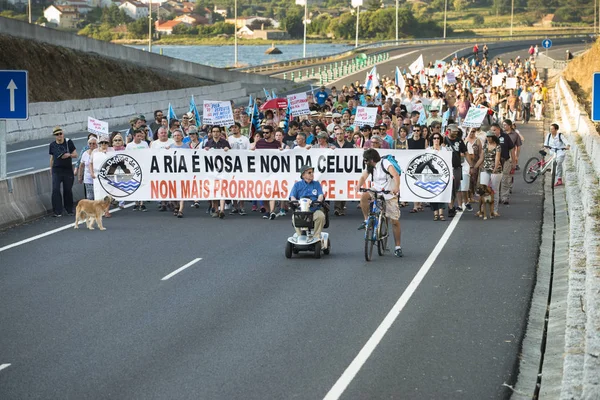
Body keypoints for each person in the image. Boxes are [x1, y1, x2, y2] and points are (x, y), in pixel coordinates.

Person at [357, 148, 403, 258]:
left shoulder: (385, 163)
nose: (365, 162)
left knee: (394, 222)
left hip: (389, 194)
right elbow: (364, 176)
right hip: (376, 190)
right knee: (364, 197)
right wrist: (359, 185)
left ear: (371, 159)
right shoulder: (370, 167)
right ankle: (366, 220)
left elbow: (396, 175)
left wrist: (396, 187)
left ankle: (398, 247)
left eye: (366, 160)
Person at [289, 165, 326, 241]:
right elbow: (292, 196)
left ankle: (316, 237)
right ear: (303, 175)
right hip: (301, 210)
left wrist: (318, 201)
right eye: (309, 172)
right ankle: (300, 237)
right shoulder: (297, 185)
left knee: (321, 216)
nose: (312, 174)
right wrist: (295, 201)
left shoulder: (316, 184)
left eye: (312, 172)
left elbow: (320, 195)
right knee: (294, 217)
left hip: (313, 209)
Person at [49, 126, 78, 217]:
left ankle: (69, 209)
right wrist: (51, 169)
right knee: (56, 189)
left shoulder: (68, 142)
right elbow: (52, 158)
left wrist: (68, 155)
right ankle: (57, 211)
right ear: (55, 136)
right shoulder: (52, 145)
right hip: (57, 170)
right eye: (57, 135)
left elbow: (75, 155)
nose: (59, 136)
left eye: (60, 134)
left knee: (68, 190)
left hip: (67, 170)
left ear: (63, 134)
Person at [475, 131, 502, 218]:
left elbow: (497, 158)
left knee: (494, 190)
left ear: (493, 137)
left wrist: (495, 168)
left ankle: (495, 210)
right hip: (485, 169)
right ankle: (481, 210)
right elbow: (482, 158)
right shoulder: (485, 146)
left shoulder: (498, 147)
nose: (489, 138)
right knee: (483, 189)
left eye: (490, 137)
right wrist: (474, 167)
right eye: (487, 137)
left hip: (496, 170)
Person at [444, 124, 468, 217]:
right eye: (454, 132)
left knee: (455, 188)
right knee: (449, 188)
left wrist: (472, 166)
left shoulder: (459, 140)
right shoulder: (444, 139)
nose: (455, 133)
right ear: (448, 131)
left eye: (457, 132)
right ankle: (450, 208)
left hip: (457, 167)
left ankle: (452, 205)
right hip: (447, 168)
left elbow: (465, 152)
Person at [77, 136, 97, 200]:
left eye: (93, 143)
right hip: (88, 178)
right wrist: (80, 176)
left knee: (98, 197)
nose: (91, 145)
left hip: (97, 178)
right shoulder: (85, 154)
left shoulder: (99, 153)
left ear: (97, 144)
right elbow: (81, 166)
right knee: (90, 197)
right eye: (90, 143)